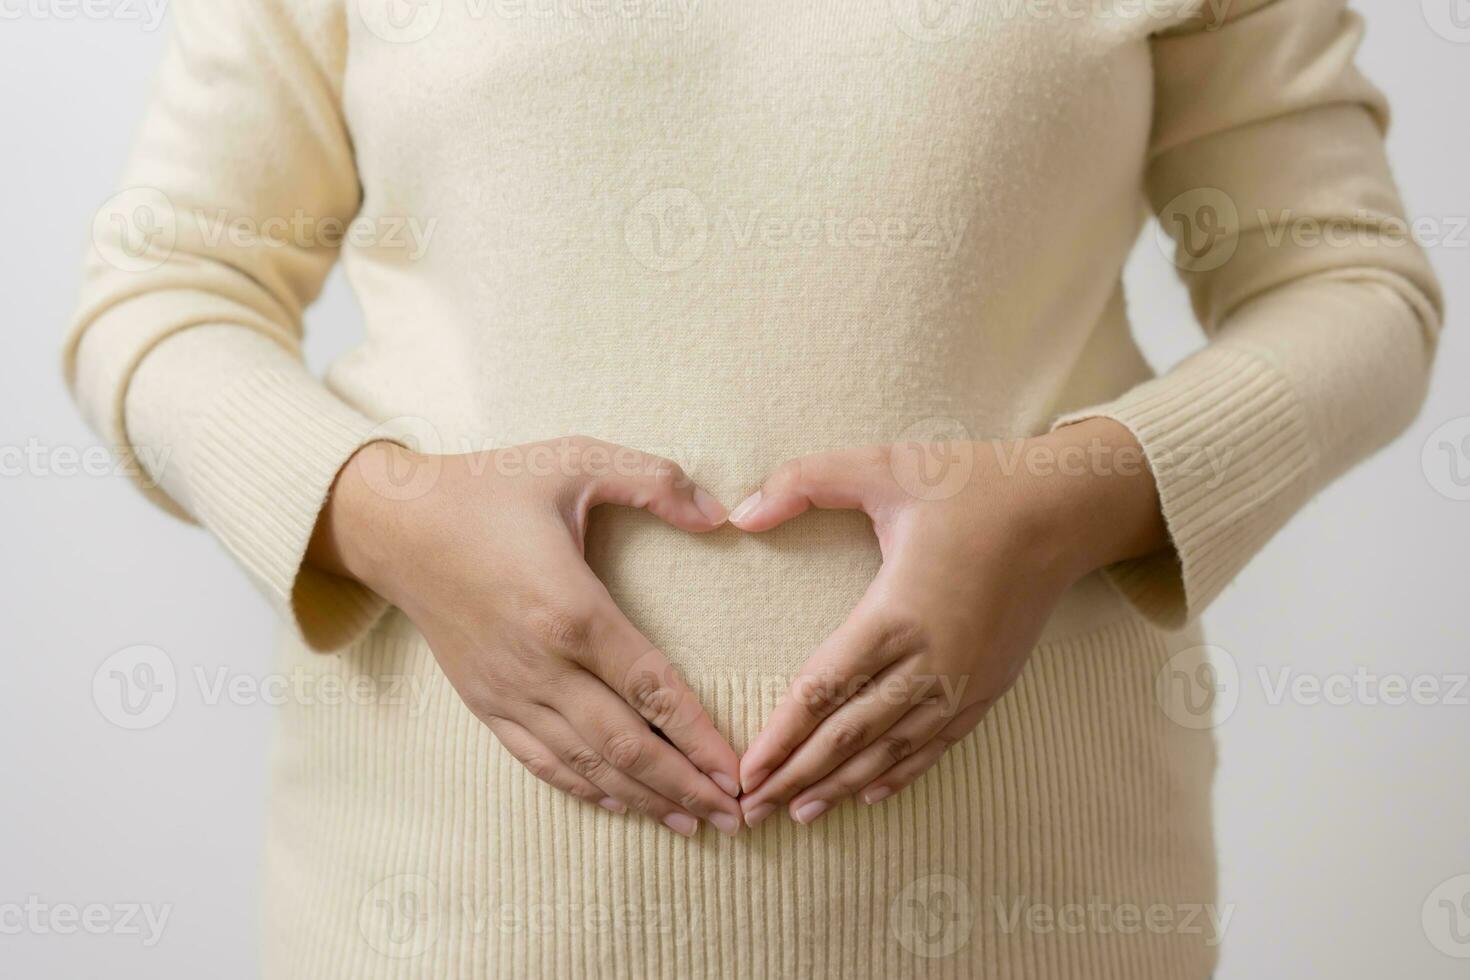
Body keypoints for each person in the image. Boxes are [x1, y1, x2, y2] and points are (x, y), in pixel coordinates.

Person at [64, 1, 1441, 976]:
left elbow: (1340, 276)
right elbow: (169, 285)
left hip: (1036, 916)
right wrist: (383, 512)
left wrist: (1070, 495)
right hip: (445, 916)